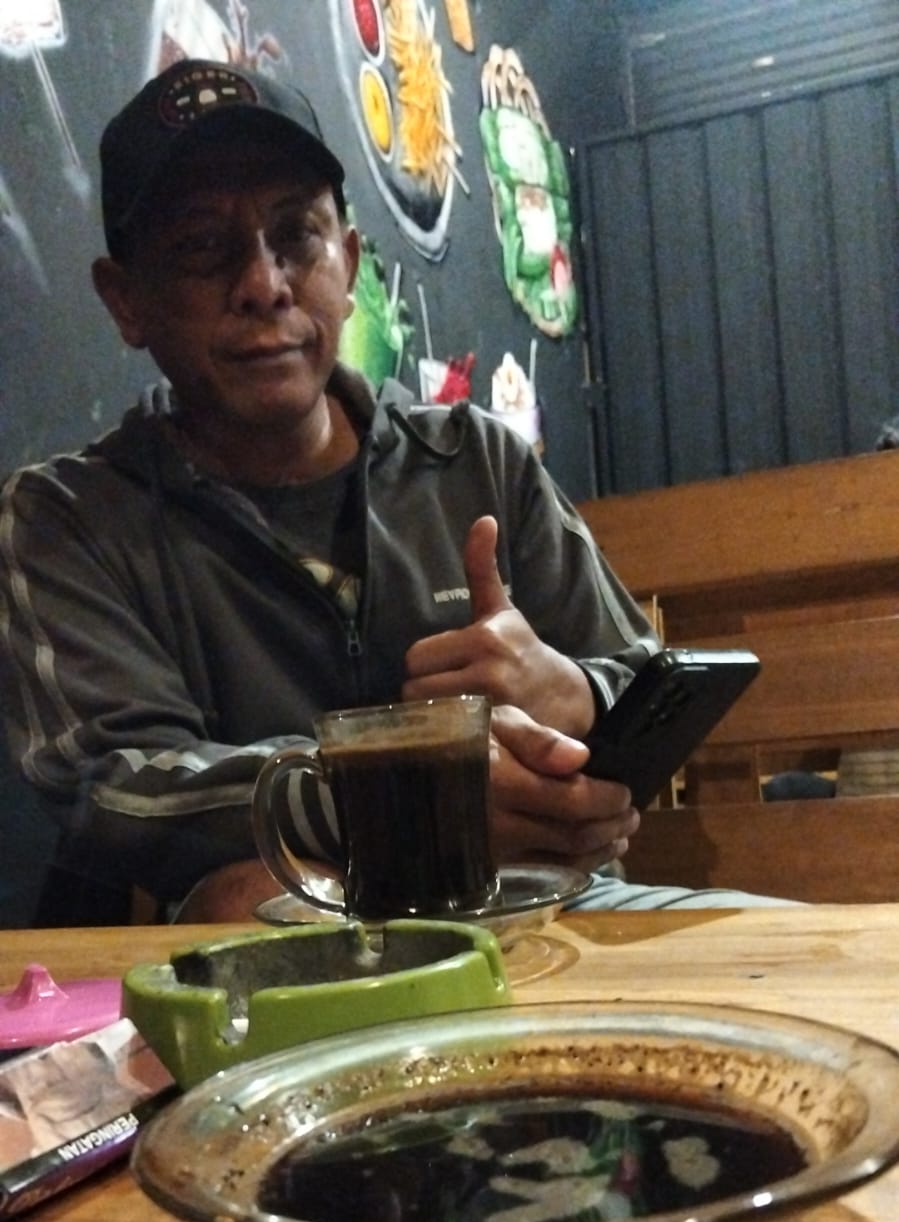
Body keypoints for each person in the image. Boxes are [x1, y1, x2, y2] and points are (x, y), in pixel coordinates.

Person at [0, 59, 794, 923]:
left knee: (815, 959)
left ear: (346, 262)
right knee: (247, 900)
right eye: (201, 248)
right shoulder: (68, 519)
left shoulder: (475, 459)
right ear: (125, 301)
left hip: (552, 906)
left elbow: (644, 678)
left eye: (295, 236)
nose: (263, 285)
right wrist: (412, 795)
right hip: (297, 942)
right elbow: (117, 786)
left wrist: (572, 691)